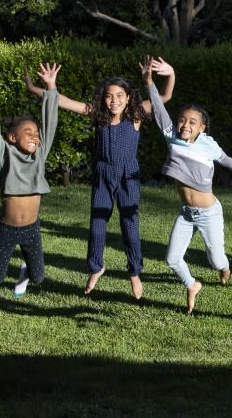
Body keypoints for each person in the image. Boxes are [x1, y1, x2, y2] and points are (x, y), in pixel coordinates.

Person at [26, 57, 175, 299]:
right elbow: (62, 102)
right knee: (96, 227)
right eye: (109, 96)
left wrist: (170, 75)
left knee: (130, 228)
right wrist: (48, 86)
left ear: (128, 97)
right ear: (103, 99)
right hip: (103, 176)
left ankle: (134, 272)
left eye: (119, 95)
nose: (114, 100)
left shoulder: (135, 115)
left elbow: (164, 98)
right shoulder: (98, 114)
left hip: (128, 177)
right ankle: (96, 267)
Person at [147, 63, 232, 313]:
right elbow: (159, 110)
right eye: (182, 120)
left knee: (215, 260)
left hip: (208, 213)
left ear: (202, 128)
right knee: (171, 259)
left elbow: (224, 158)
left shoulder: (207, 144)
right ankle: (192, 284)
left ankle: (225, 267)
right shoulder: (172, 137)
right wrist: (149, 82)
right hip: (186, 212)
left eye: (192, 122)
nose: (185, 125)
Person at [0, 61, 60, 305]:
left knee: (39, 276)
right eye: (28, 132)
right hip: (8, 228)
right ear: (12, 137)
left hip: (32, 228)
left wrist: (51, 88)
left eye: (36, 133)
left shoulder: (39, 156)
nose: (35, 136)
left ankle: (23, 275)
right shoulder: (3, 156)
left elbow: (50, 124)